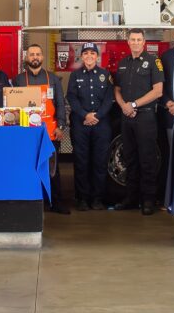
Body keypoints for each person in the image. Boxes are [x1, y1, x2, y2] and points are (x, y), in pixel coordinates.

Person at [12, 43, 71, 214]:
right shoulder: (19, 80)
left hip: (50, 132)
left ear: (42, 57)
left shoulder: (53, 78)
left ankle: (55, 202)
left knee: (52, 170)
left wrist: (61, 126)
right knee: (29, 167)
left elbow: (61, 103)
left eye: (38, 54)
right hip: (28, 134)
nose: (35, 57)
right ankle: (31, 201)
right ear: (26, 57)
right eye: (32, 54)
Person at [113, 29, 164, 215]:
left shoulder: (153, 62)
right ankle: (131, 198)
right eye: (132, 39)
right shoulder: (123, 63)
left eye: (139, 40)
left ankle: (149, 200)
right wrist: (124, 106)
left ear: (144, 42)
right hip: (127, 117)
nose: (135, 42)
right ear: (128, 42)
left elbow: (158, 91)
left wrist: (133, 104)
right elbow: (117, 90)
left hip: (145, 117)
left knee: (147, 159)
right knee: (130, 159)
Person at [67, 42, 115, 213]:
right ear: (81, 56)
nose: (89, 56)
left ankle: (97, 199)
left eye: (92, 53)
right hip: (81, 124)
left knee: (99, 162)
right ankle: (82, 199)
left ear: (97, 56)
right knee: (81, 162)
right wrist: (85, 115)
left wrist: (97, 116)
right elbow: (71, 98)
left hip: (101, 125)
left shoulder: (105, 74)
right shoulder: (74, 75)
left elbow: (109, 99)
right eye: (85, 53)